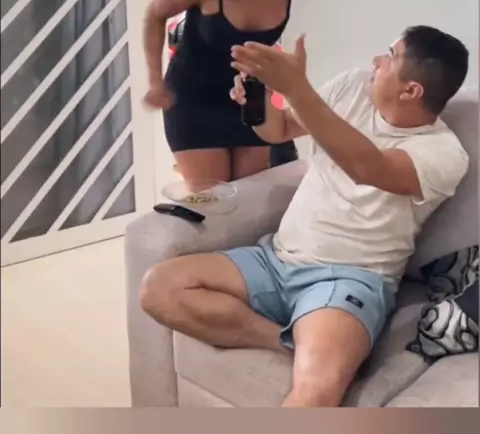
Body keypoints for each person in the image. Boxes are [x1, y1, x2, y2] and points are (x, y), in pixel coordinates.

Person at [139, 25, 470, 407]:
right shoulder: (353, 87)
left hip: (348, 279)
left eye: (390, 56)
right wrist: (261, 97)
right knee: (159, 288)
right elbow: (279, 128)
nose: (376, 61)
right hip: (275, 260)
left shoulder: (444, 154)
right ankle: (288, 340)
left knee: (315, 394)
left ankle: (326, 346)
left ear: (411, 90)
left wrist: (298, 89)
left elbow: (368, 166)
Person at [143, 0, 303, 183]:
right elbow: (155, 14)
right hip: (194, 102)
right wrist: (154, 80)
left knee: (252, 200)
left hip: (249, 101)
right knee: (215, 202)